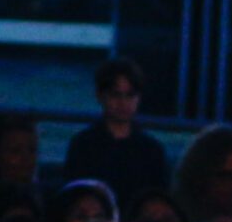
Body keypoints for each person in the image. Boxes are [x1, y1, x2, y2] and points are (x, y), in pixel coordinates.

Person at [63, 58, 171, 212]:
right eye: (115, 95)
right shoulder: (83, 145)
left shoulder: (152, 150)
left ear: (139, 98)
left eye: (130, 95)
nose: (123, 103)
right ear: (100, 96)